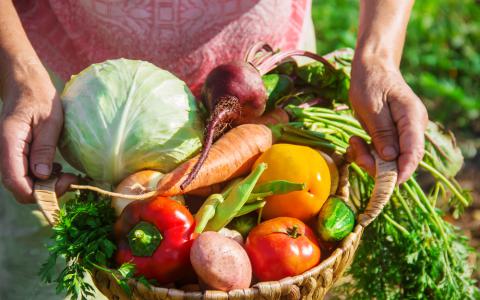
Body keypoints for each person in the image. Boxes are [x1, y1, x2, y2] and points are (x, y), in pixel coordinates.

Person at [0, 0, 428, 299]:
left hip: (263, 84)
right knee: (49, 274)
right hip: (67, 100)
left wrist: (378, 56)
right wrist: (19, 75)